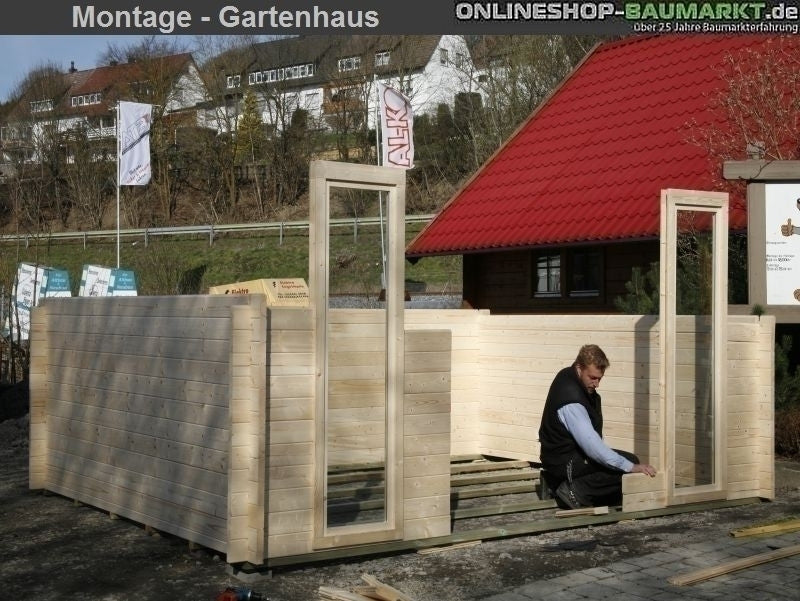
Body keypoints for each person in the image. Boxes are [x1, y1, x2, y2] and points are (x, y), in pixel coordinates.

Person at [538, 344, 656, 509]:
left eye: (600, 378)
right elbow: (594, 448)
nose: (597, 384)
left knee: (627, 462)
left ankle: (560, 483)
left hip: (564, 456)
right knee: (625, 467)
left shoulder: (570, 376)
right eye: (592, 377)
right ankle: (573, 492)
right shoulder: (572, 400)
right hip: (562, 462)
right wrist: (631, 467)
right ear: (579, 368)